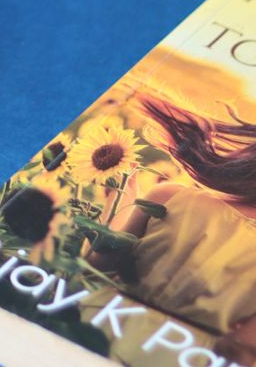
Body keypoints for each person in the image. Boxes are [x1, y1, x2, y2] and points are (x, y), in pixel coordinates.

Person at [100, 98, 256, 363]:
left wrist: (118, 196)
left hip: (99, 324)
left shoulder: (168, 196)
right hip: (179, 355)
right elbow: (244, 347)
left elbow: (99, 263)